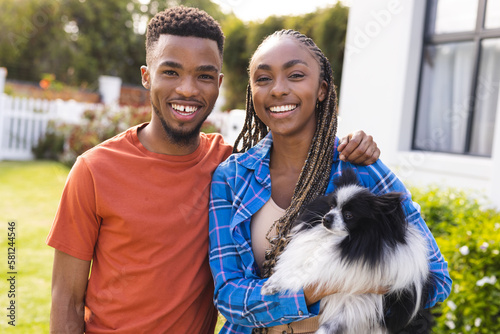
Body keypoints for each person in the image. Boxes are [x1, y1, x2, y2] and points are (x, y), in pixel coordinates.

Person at [46, 7, 380, 334]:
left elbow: (296, 146)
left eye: (204, 76)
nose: (188, 89)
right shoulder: (93, 171)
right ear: (146, 76)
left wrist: (354, 144)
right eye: (171, 72)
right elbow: (67, 300)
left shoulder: (231, 167)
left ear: (218, 83)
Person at [208, 29, 452, 334]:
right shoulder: (231, 177)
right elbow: (229, 298)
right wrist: (314, 290)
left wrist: (358, 283)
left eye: (295, 75)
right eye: (263, 78)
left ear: (322, 89)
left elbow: (437, 280)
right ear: (252, 91)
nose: (278, 89)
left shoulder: (362, 169)